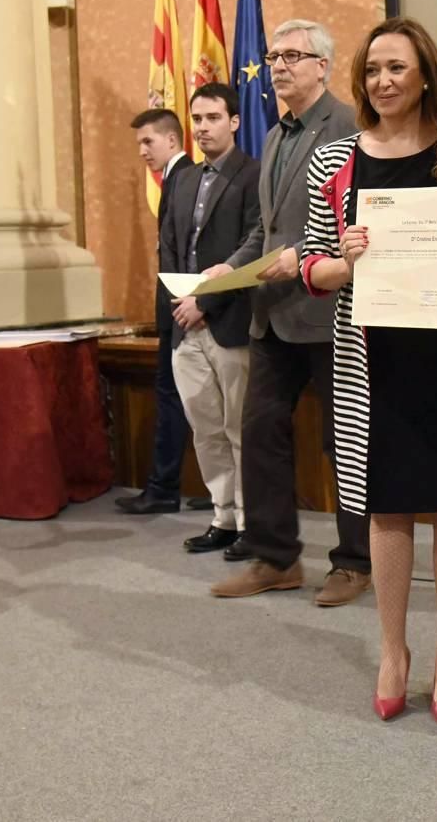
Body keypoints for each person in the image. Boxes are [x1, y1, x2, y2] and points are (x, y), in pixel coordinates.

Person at [300, 17, 437, 725]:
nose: (382, 80)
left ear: (427, 73)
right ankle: (393, 649)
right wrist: (347, 259)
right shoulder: (334, 159)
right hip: (371, 363)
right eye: (372, 69)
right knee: (388, 503)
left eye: (397, 67)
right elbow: (311, 265)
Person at [205, 20, 371, 606]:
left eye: (293, 56)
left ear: (323, 65)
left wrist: (305, 254)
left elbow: (358, 217)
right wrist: (230, 267)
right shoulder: (275, 135)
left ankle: (354, 562)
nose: (278, 65)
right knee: (260, 431)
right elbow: (266, 227)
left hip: (332, 310)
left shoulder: (350, 124)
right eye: (273, 55)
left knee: (344, 439)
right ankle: (275, 558)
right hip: (272, 312)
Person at [160, 83, 260, 552]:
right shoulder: (180, 179)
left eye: (213, 117)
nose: (202, 127)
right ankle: (222, 517)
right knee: (206, 429)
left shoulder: (253, 175)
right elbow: (171, 248)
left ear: (235, 122)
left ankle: (249, 524)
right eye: (196, 119)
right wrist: (180, 308)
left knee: (240, 430)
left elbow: (253, 252)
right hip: (186, 325)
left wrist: (207, 302)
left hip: (230, 322)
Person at [115, 109, 197, 515]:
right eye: (138, 144)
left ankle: (163, 488)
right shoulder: (176, 179)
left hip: (184, 311)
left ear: (171, 139)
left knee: (175, 399)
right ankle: (208, 494)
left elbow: (185, 254)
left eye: (148, 141)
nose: (143, 151)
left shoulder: (183, 178)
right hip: (180, 310)